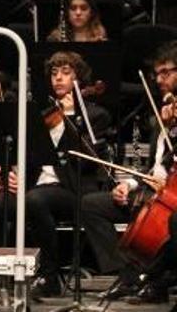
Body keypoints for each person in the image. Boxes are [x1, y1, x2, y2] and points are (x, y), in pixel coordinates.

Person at [0, 51, 111, 300]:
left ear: (78, 78)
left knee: (35, 200)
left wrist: (72, 119)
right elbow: (27, 153)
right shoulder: (42, 115)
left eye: (66, 72)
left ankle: (50, 276)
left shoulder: (95, 116)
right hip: (36, 187)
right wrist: (15, 174)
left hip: (71, 189)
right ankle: (7, 272)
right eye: (54, 73)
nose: (58, 78)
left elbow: (89, 160)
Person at [83, 41, 177, 303]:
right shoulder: (162, 112)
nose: (159, 79)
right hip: (153, 191)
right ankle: (127, 274)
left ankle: (153, 280)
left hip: (171, 196)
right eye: (156, 74)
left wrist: (174, 129)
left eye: (166, 72)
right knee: (91, 205)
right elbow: (154, 166)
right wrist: (131, 185)